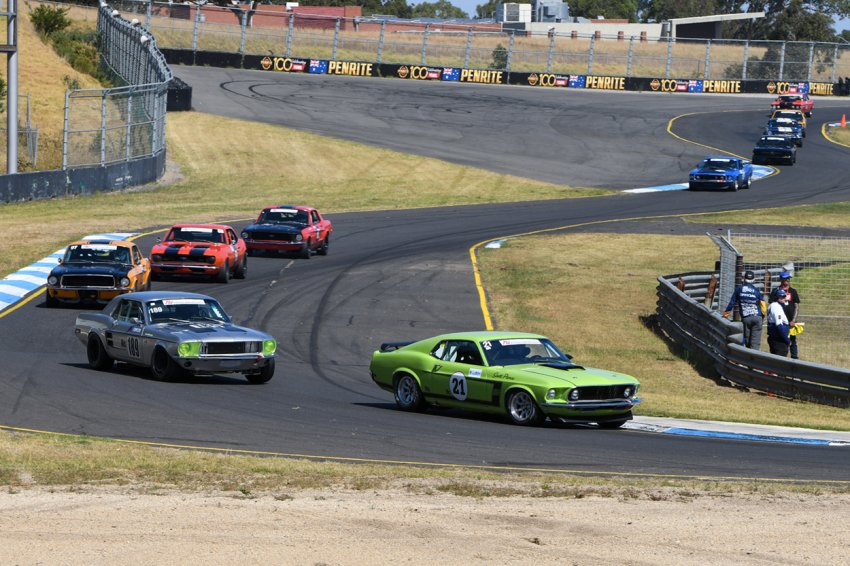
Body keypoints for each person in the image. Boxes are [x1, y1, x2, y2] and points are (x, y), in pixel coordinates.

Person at [723, 270, 765, 350]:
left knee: (747, 341)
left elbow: (732, 303)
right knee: (755, 343)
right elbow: (763, 305)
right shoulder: (756, 291)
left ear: (744, 279)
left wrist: (725, 315)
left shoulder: (739, 289)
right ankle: (754, 356)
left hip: (746, 319)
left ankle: (748, 355)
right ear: (754, 279)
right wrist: (762, 316)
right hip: (757, 317)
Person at [777, 271, 801, 359]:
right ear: (781, 279)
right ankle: (781, 358)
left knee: (793, 342)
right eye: (785, 278)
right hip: (780, 322)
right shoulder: (776, 291)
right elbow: (772, 305)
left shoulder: (793, 291)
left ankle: (794, 360)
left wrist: (793, 320)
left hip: (791, 323)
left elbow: (797, 306)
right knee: (780, 341)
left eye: (788, 278)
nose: (787, 280)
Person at [766, 288, 791, 357]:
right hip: (779, 339)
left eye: (785, 296)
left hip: (776, 337)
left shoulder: (775, 305)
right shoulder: (776, 307)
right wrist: (787, 340)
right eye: (782, 296)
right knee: (780, 359)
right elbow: (779, 325)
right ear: (776, 297)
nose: (784, 298)